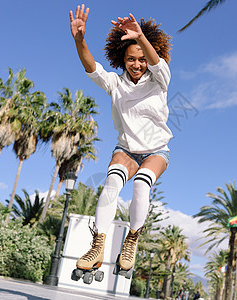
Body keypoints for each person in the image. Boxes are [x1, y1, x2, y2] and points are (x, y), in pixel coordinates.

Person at [69, 4, 173, 273]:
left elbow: (155, 62)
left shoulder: (159, 79)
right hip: (126, 149)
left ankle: (132, 239)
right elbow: (92, 68)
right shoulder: (115, 83)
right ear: (121, 60)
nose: (136, 64)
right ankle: (98, 246)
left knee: (141, 185)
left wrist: (140, 38)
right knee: (112, 183)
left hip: (156, 151)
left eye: (140, 58)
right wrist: (80, 40)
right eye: (130, 59)